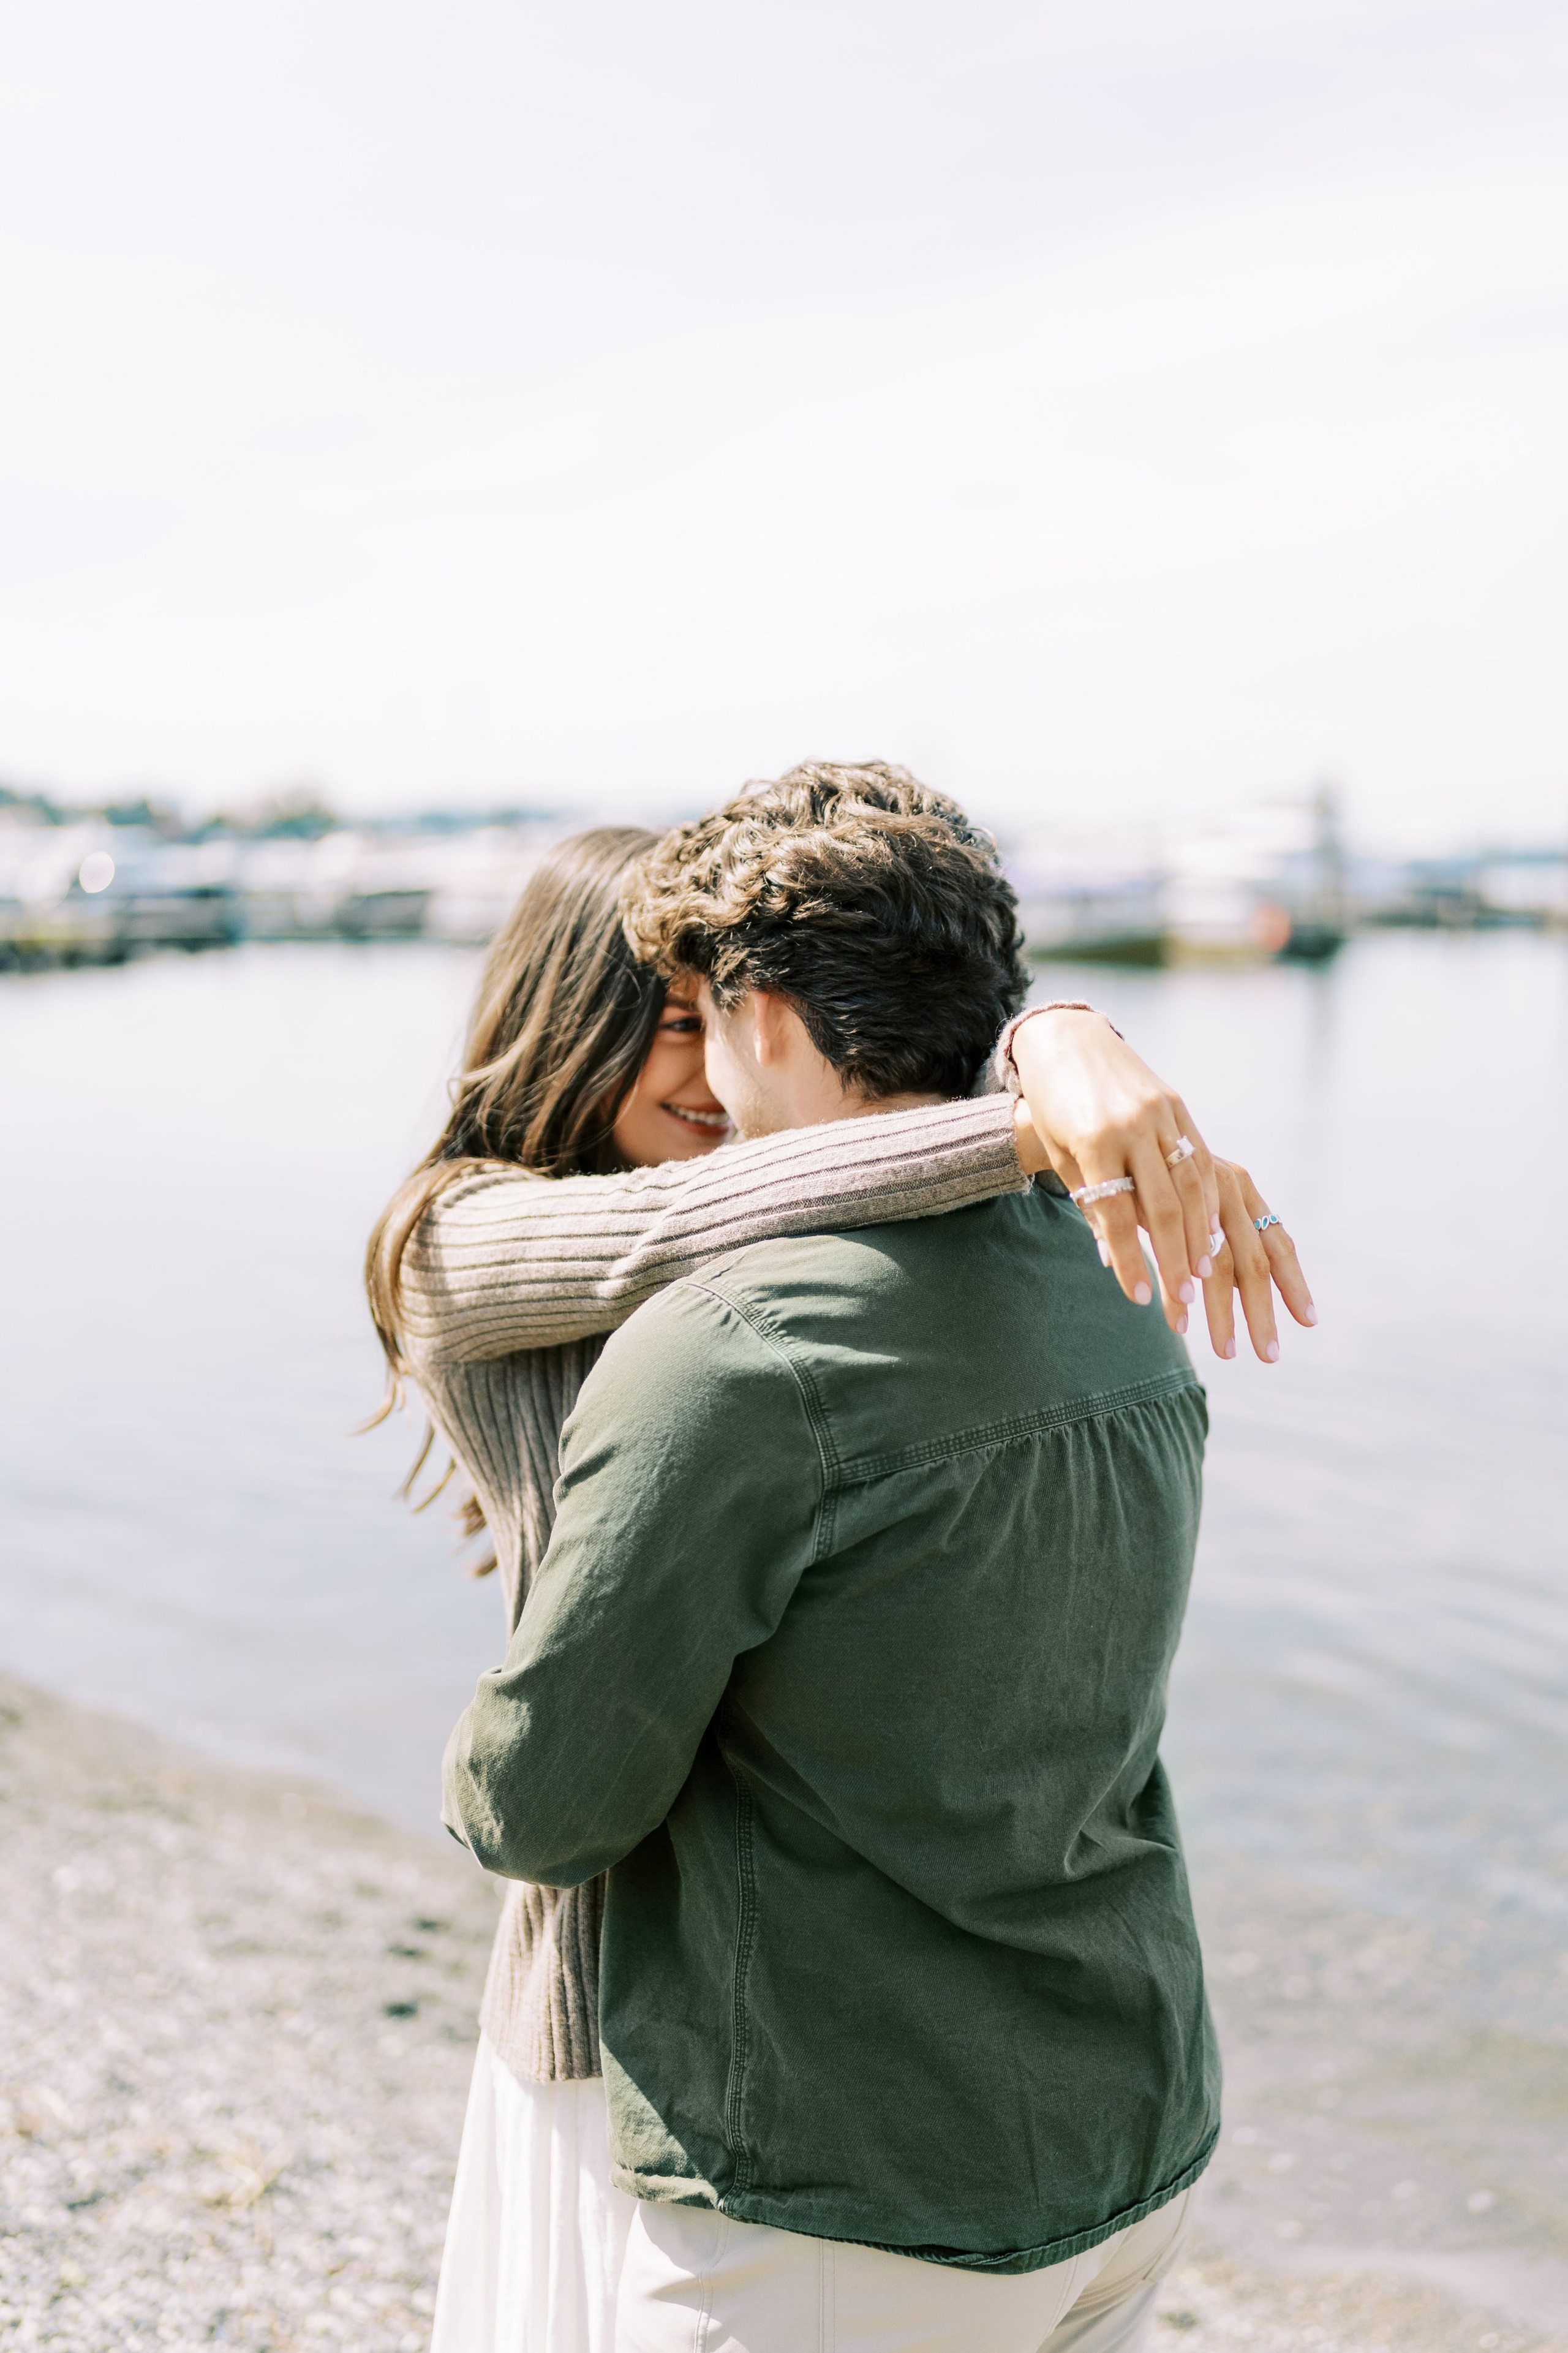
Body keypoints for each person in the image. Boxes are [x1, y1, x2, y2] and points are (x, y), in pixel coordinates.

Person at [426, 766, 1313, 2353]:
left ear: (768, 1011)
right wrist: (1047, 1082)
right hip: (1110, 2099)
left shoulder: (745, 1339)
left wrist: (1050, 1071)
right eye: (658, 1016)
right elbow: (698, 1219)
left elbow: (540, 1803)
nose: (698, 1063)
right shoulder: (1103, 1277)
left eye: (708, 1008)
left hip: (831, 2167)